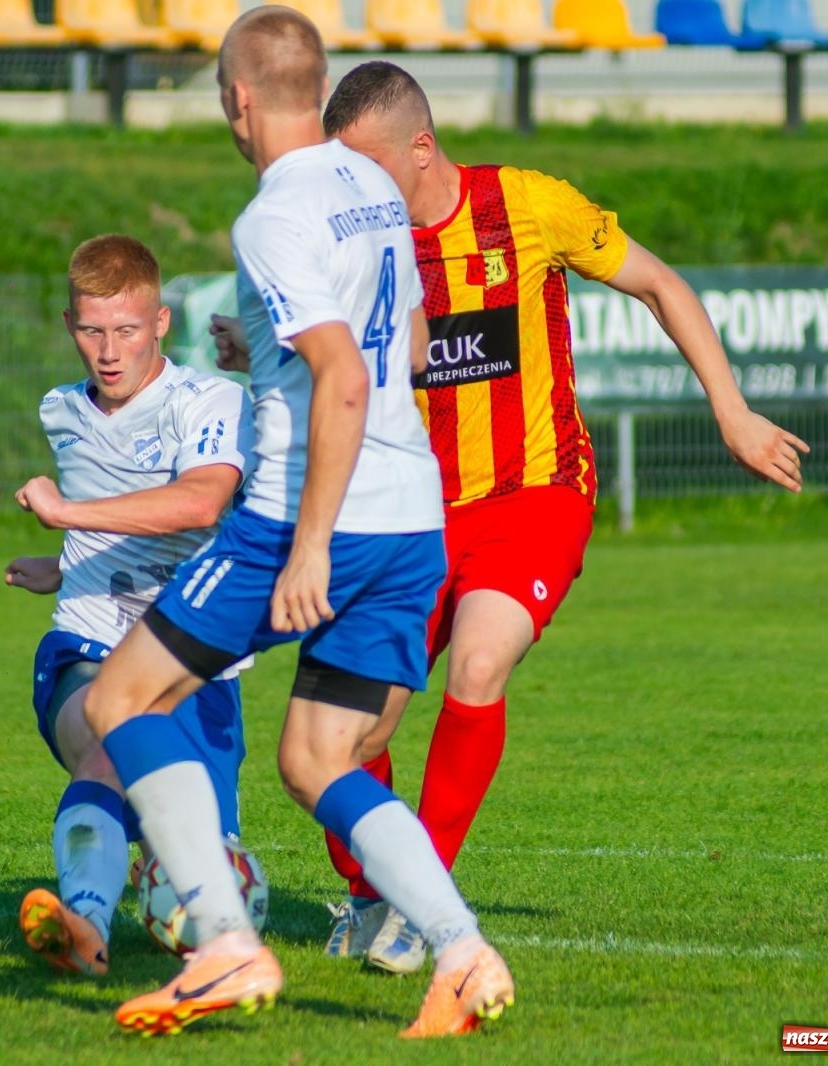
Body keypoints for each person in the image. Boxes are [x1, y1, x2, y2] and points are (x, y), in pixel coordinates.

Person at [288, 59, 808, 973]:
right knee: (352, 738)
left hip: (535, 492)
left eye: (367, 168)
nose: (354, 189)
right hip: (408, 511)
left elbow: (660, 285)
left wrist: (730, 408)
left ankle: (421, 900)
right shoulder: (354, 240)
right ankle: (375, 891)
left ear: (422, 145)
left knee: (480, 665)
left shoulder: (526, 206)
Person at [80, 6, 516, 1040]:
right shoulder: (372, 184)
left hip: (307, 514)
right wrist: (267, 350)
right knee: (317, 757)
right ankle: (461, 952)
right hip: (414, 521)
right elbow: (402, 347)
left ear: (237, 100)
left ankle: (224, 937)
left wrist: (309, 540)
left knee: (121, 695)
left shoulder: (270, 216)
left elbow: (341, 378)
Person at [8, 234, 255, 979]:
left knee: (209, 863)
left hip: (197, 660)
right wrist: (70, 566)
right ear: (68, 326)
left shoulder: (209, 401)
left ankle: (204, 938)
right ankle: (82, 922)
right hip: (86, 644)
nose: (108, 351)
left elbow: (201, 501)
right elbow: (109, 507)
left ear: (161, 324)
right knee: (107, 742)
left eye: (125, 330)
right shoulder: (61, 409)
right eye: (91, 330)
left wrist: (68, 524)